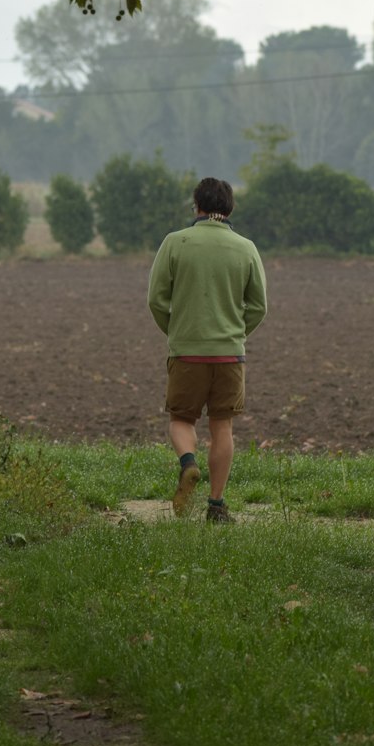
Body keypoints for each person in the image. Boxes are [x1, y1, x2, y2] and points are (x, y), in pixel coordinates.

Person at [147, 177, 267, 521]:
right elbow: (259, 306)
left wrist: (177, 332)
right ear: (229, 209)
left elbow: (156, 299)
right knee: (222, 427)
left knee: (181, 419)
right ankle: (216, 506)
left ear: (196, 206)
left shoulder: (175, 242)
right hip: (230, 353)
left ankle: (188, 463)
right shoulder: (246, 248)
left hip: (186, 352)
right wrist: (236, 334)